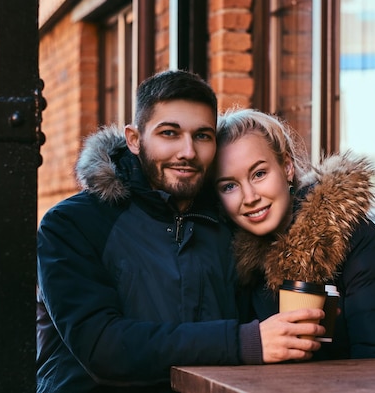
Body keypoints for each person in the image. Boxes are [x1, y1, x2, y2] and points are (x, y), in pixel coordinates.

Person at [36, 71, 325, 393]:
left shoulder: (230, 221)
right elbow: (103, 347)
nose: (187, 151)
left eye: (202, 135)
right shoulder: (72, 224)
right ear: (134, 139)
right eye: (170, 133)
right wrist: (244, 342)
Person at [214, 108, 375, 359]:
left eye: (259, 174)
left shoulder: (354, 240)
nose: (250, 197)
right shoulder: (245, 266)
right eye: (229, 186)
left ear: (287, 167)